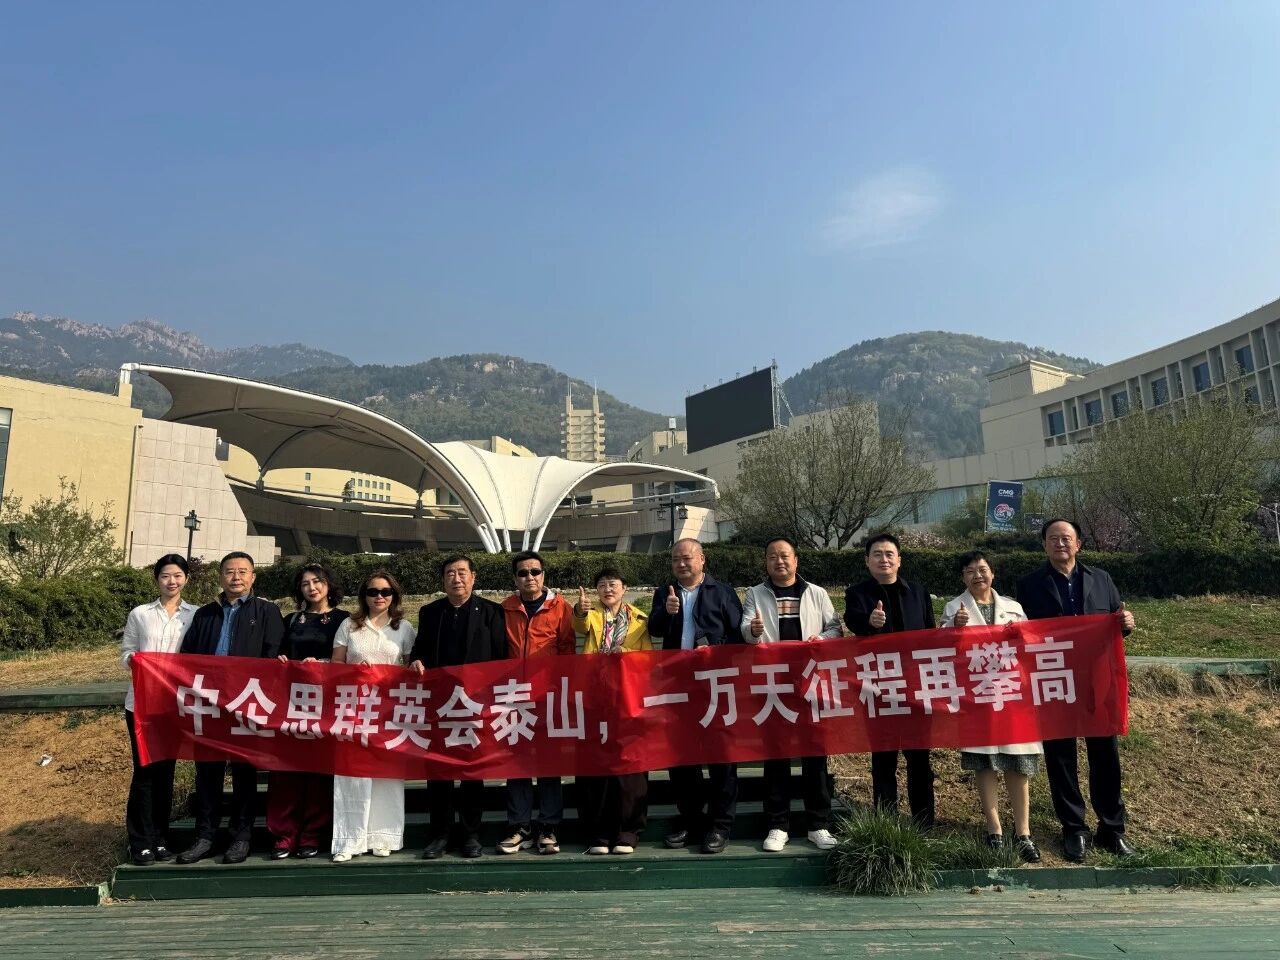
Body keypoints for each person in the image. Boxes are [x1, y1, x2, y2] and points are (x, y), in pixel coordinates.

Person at [1016, 518, 1136, 863]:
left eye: (1066, 538)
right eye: (1052, 538)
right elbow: (1023, 631)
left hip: (1096, 679)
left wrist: (1126, 624)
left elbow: (1115, 620)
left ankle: (1112, 828)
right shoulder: (1029, 585)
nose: (1060, 543)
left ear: (1078, 544)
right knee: (1060, 756)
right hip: (1054, 678)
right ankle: (1074, 829)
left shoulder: (1101, 579)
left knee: (1105, 754)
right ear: (1044, 545)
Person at [176, 551, 284, 865]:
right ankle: (205, 836)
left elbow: (274, 656)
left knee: (244, 772)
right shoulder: (205, 614)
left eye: (242, 571)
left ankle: (241, 836)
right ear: (221, 576)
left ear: (253, 577)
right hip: (208, 703)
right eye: (229, 572)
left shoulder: (267, 611)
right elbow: (187, 657)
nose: (236, 577)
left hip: (246, 704)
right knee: (207, 771)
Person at [740, 537, 843, 853]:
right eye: (772, 556)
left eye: (784, 556)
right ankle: (778, 825)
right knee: (776, 756)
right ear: (766, 562)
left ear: (796, 560)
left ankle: (818, 825)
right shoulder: (755, 594)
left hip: (811, 682)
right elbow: (745, 631)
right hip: (774, 684)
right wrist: (754, 631)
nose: (779, 561)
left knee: (815, 756)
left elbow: (835, 630)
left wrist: (820, 639)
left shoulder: (816, 593)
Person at [940, 551, 1041, 863]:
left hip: (1012, 696)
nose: (977, 576)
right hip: (977, 696)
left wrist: (1021, 635)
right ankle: (994, 830)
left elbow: (1032, 646)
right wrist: (955, 627)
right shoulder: (953, 607)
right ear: (963, 577)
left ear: (993, 573)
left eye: (982, 569)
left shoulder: (1014, 607)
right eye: (970, 571)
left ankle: (1023, 833)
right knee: (984, 762)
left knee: (1018, 763)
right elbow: (940, 647)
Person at [647, 537, 744, 854]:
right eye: (676, 559)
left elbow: (737, 636)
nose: (681, 564)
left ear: (702, 559)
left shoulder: (722, 592)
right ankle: (691, 820)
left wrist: (714, 650)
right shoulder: (665, 592)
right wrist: (666, 612)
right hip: (678, 684)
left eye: (687, 558)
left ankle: (720, 825)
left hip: (714, 683)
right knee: (681, 756)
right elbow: (655, 629)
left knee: (720, 756)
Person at [409, 554, 507, 861]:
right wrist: (415, 660)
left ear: (473, 577)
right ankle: (439, 834)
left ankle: (470, 835)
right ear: (443, 580)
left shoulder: (491, 612)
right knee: (438, 771)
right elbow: (419, 651)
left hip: (475, 705)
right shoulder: (430, 612)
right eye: (450, 573)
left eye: (462, 572)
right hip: (439, 705)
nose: (457, 578)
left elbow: (501, 658)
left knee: (471, 772)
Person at [844, 532, 937, 828]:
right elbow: (852, 623)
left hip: (916, 685)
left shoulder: (918, 592)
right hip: (878, 685)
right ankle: (886, 821)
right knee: (883, 756)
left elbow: (931, 634)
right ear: (867, 561)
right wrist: (870, 623)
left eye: (889, 554)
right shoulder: (857, 594)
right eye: (877, 554)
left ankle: (924, 822)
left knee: (919, 757)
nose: (883, 559)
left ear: (899, 560)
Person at [330, 570, 416, 863]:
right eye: (373, 591)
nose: (379, 597)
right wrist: (354, 670)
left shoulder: (403, 627)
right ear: (363, 596)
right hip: (353, 707)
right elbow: (335, 664)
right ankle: (349, 839)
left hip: (389, 710)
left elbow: (410, 666)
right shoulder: (349, 625)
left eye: (385, 592)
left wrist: (413, 667)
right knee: (351, 774)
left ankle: (384, 836)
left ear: (394, 596)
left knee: (387, 774)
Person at [266, 563, 349, 860]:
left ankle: (312, 833)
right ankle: (284, 834)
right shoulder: (291, 619)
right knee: (285, 770)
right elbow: (277, 653)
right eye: (305, 584)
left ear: (329, 584)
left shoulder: (343, 619)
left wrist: (323, 665)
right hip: (291, 702)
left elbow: (346, 661)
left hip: (325, 702)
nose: (312, 588)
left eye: (317, 581)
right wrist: (281, 661)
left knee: (318, 769)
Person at [121, 554, 197, 866]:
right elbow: (127, 651)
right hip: (141, 704)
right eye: (165, 575)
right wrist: (137, 661)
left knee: (166, 772)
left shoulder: (195, 615)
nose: (172, 581)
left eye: (177, 575)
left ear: (186, 579)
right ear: (157, 579)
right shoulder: (140, 614)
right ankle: (140, 841)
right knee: (144, 771)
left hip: (175, 706)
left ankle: (160, 838)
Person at [499, 550, 575, 855]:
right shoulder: (505, 608)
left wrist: (562, 691)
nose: (529, 577)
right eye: (523, 573)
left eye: (535, 572)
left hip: (547, 696)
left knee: (548, 763)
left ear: (543, 575)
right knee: (516, 763)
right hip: (513, 696)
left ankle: (548, 827)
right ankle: (519, 826)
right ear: (515, 578)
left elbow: (567, 652)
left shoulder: (560, 608)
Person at [573, 566, 653, 856]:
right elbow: (579, 626)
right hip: (595, 697)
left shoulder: (639, 620)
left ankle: (627, 831)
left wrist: (626, 656)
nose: (608, 589)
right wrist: (579, 611)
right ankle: (598, 832)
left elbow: (648, 659)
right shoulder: (592, 615)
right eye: (602, 585)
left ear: (624, 588)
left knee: (630, 765)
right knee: (595, 764)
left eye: (613, 584)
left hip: (628, 697)